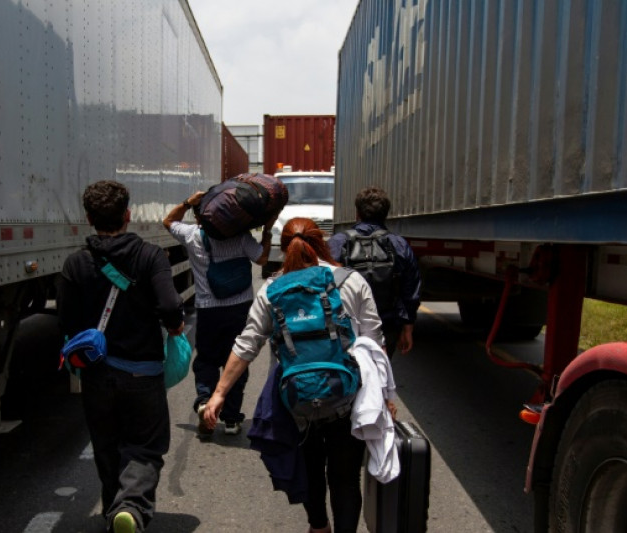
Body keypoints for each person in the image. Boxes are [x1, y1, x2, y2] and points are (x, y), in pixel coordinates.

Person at [203, 217, 395, 533]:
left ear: (284, 249)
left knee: (311, 468)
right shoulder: (351, 281)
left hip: (297, 402)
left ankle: (318, 527)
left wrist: (220, 392)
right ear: (322, 242)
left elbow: (248, 342)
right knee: (345, 478)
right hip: (348, 398)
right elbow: (375, 344)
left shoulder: (272, 288)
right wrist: (387, 396)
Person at [57, 180, 185, 533]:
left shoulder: (75, 264)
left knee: (106, 444)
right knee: (145, 446)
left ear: (89, 218)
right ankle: (130, 507)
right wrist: (174, 327)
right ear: (128, 215)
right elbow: (170, 305)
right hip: (142, 373)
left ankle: (115, 508)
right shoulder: (150, 256)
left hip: (98, 374)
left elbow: (66, 321)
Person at [163, 191, 276, 438]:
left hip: (208, 310)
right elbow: (263, 258)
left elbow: (168, 222)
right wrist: (267, 232)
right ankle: (232, 418)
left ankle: (205, 400)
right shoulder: (241, 237)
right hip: (239, 309)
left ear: (198, 216)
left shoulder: (193, 235)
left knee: (206, 360)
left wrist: (186, 201)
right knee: (235, 360)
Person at [327, 186, 421, 356]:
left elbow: (322, 282)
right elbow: (411, 288)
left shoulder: (337, 243)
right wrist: (408, 326)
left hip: (344, 325)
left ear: (357, 213)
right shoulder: (398, 245)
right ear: (386, 214)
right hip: (387, 324)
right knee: (378, 371)